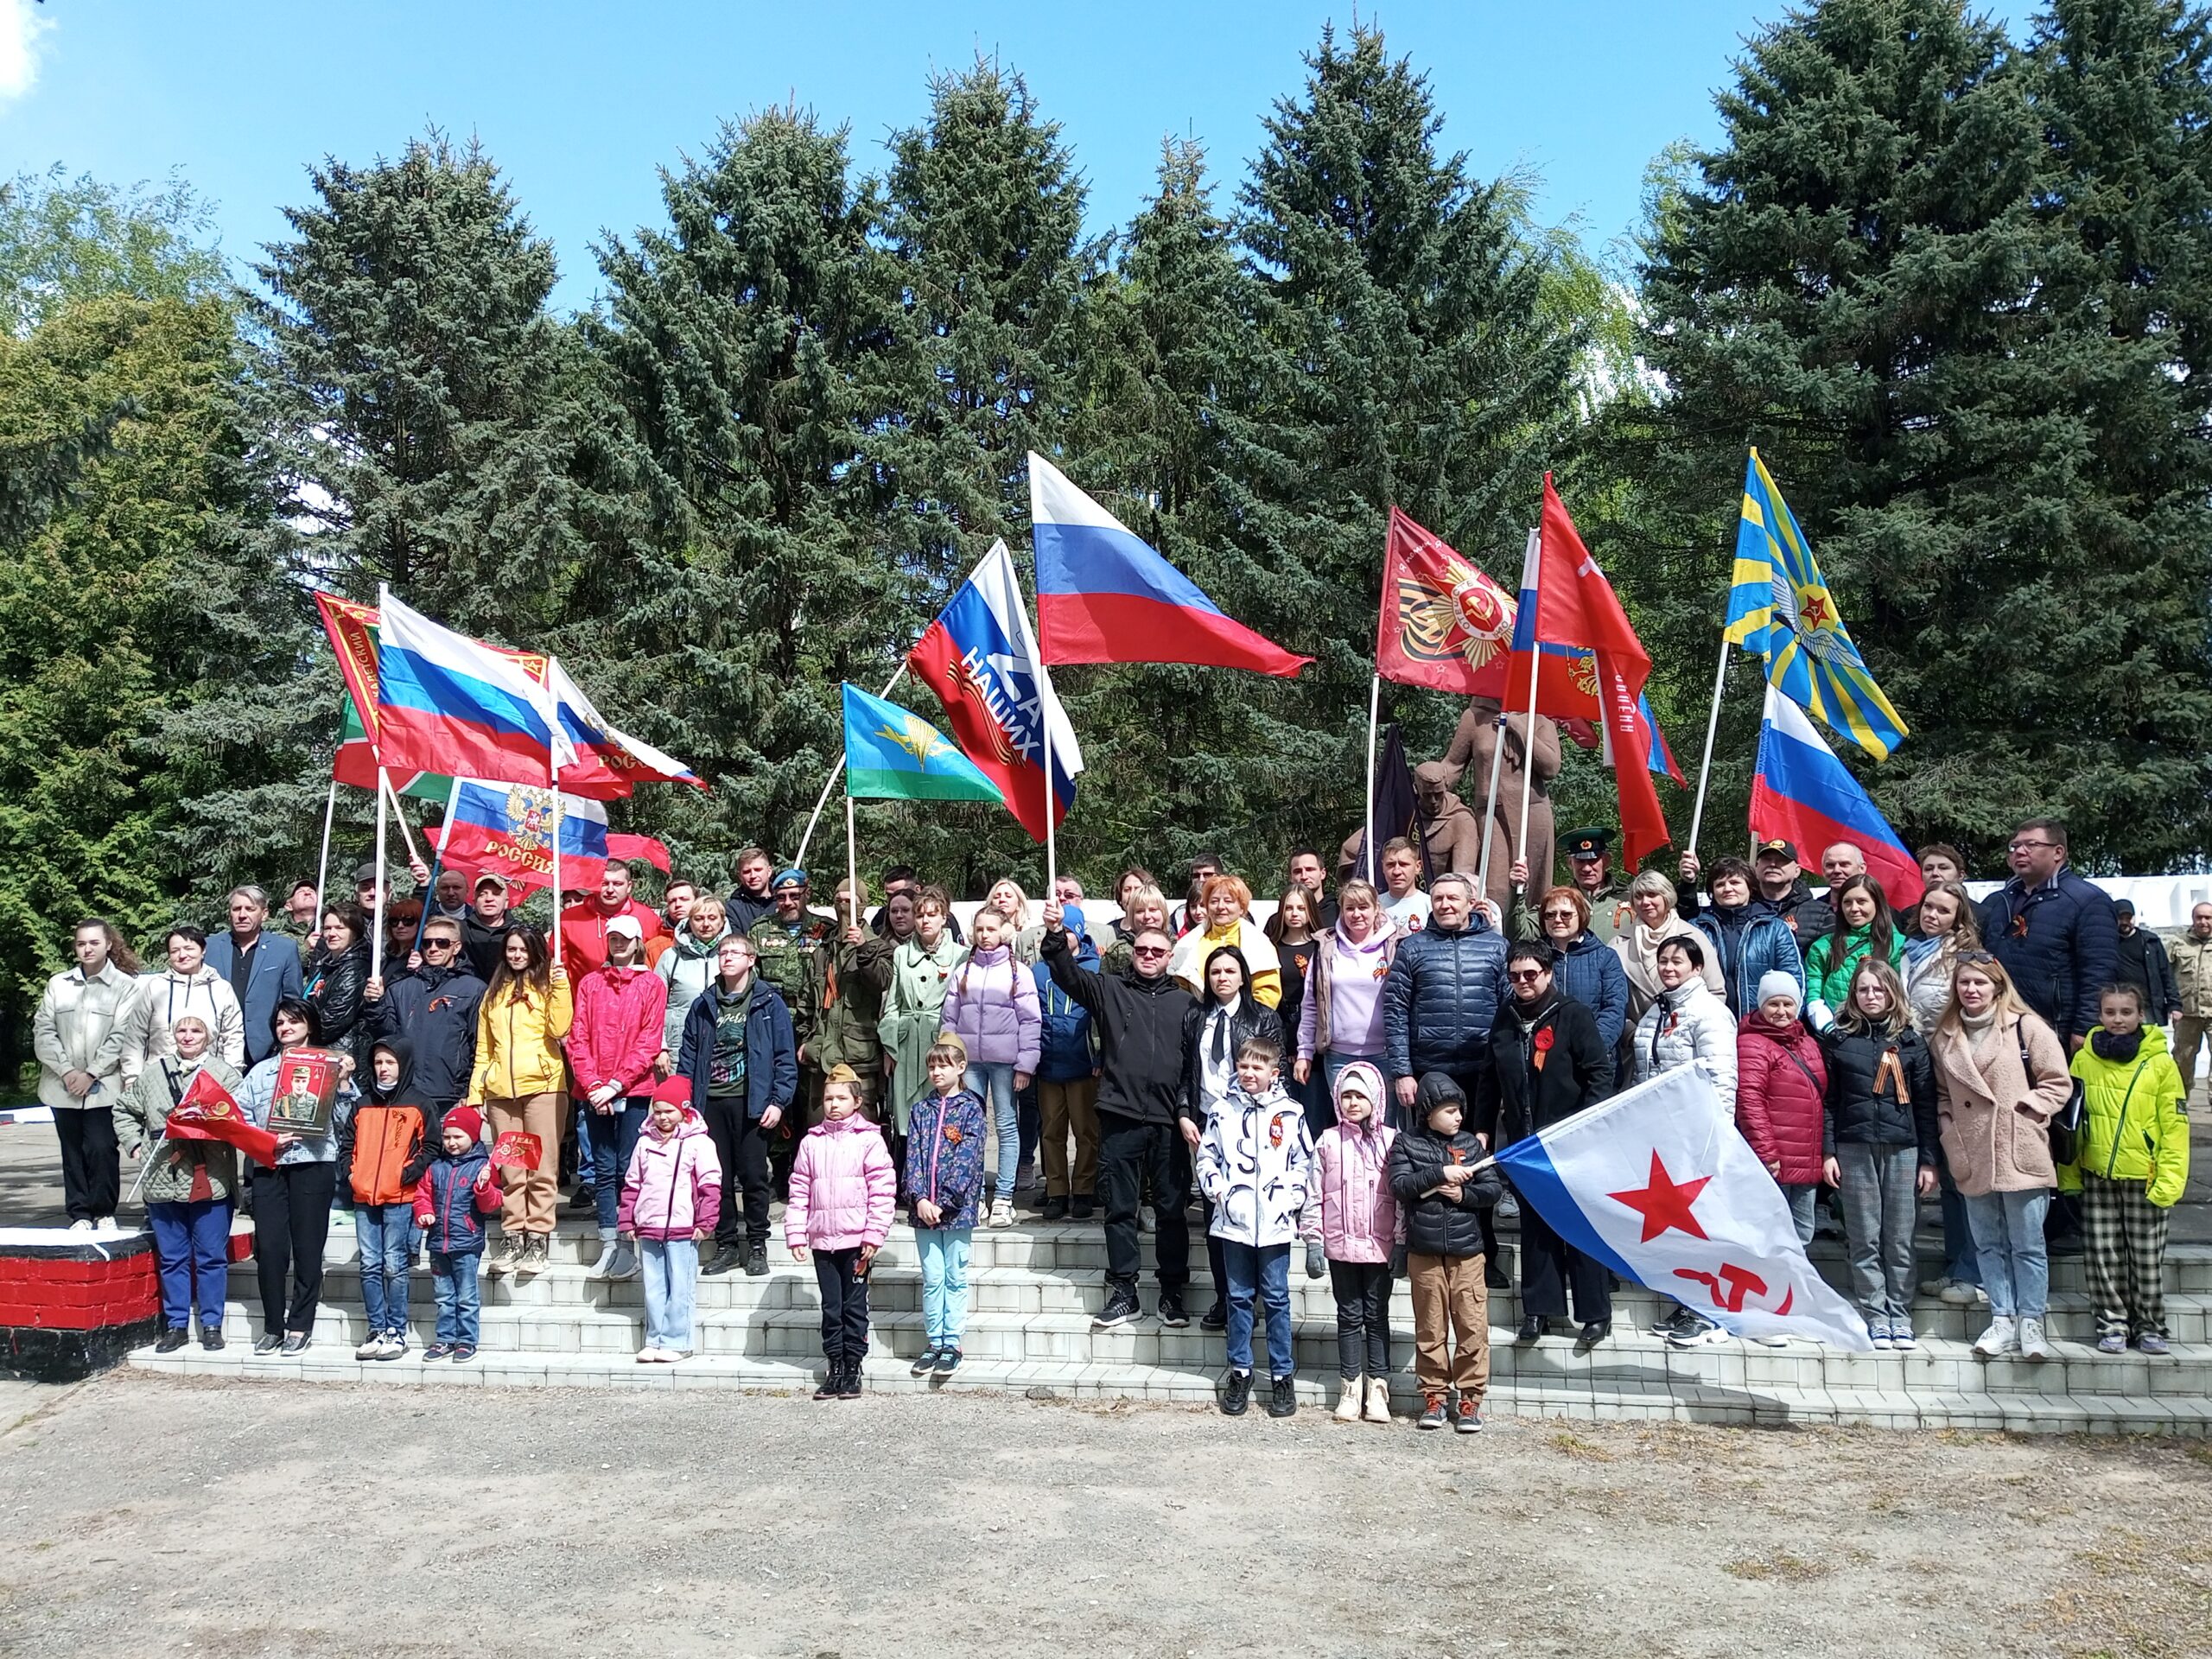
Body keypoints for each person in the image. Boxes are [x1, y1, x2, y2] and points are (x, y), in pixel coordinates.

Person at [1040, 899, 1196, 1330]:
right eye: (1142, 950)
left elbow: (1193, 1067)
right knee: (1121, 1210)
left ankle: (1171, 1293)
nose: (1148, 957)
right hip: (1120, 1116)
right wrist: (1055, 936)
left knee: (1170, 1211)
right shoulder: (1109, 988)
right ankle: (1125, 1291)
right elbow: (1067, 974)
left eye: (1157, 952)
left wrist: (1186, 1110)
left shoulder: (1185, 1004)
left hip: (1168, 1122)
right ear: (1133, 953)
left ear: (1169, 957)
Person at [1928, 951, 2072, 1361]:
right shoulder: (1944, 1036)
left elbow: (2057, 1082)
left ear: (1998, 986)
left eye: (1980, 983)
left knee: (2027, 1243)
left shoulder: (2027, 1027)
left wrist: (2030, 1109)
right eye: (1964, 983)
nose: (1971, 990)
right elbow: (1942, 1092)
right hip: (1972, 1149)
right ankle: (2002, 1318)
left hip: (2018, 1145)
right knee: (1988, 1244)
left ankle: (2031, 1321)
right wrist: (1947, 1126)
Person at [1490, 939, 1614, 1349]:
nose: (1523, 982)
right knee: (1535, 1228)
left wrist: (1584, 1124)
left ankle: (1595, 1314)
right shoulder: (1505, 1018)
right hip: (1527, 1144)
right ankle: (1539, 1311)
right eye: (1515, 976)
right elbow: (1490, 1079)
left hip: (1572, 1140)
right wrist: (1481, 1128)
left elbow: (1598, 1073)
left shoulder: (1573, 1015)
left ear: (1548, 974)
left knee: (1580, 1227)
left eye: (1531, 974)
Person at [2065, 983, 2190, 1355]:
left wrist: (2170, 1178)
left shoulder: (2160, 1063)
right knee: (2103, 1256)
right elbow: (2072, 1120)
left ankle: (2150, 1324)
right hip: (2098, 1173)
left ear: (2140, 1015)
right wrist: (2069, 1173)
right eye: (2109, 1012)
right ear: (2099, 1015)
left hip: (2145, 1175)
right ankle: (2112, 1323)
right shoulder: (2084, 1059)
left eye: (2126, 1012)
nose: (2117, 1020)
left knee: (2146, 1257)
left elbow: (2175, 1125)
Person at [1820, 958, 1938, 1350]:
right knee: (1864, 1235)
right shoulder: (1839, 1041)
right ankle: (1875, 1313)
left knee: (1900, 1236)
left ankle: (1900, 1313)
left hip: (1904, 1146)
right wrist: (1829, 1152)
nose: (1871, 996)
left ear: (1892, 993)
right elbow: (1830, 1101)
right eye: (1863, 990)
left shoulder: (1911, 1042)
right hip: (1854, 1146)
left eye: (1879, 989)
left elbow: (1924, 1104)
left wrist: (1929, 1160)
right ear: (1853, 995)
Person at [1196, 1033, 1313, 1420]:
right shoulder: (1221, 1111)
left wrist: (1291, 1198)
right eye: (1243, 1066)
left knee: (1277, 1299)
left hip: (1276, 1224)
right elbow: (1206, 1157)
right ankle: (1241, 1370)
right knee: (1239, 1298)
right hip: (1235, 1223)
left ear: (1273, 1072)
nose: (1248, 1073)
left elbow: (1303, 1162)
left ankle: (1282, 1375)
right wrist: (1219, 1191)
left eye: (1257, 1067)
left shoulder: (1291, 1112)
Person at [112, 1014, 244, 1351]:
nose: (188, 1036)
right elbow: (124, 1110)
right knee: (172, 1257)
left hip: (210, 1177)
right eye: (181, 1030)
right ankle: (176, 1325)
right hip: (162, 1178)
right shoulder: (152, 1074)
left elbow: (241, 1118)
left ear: (208, 1036)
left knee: (211, 1256)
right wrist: (135, 1144)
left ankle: (211, 1324)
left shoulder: (225, 1075)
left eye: (195, 1030)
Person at [1632, 934, 1738, 1347]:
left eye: (1678, 962)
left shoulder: (1709, 1012)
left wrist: (1716, 1132)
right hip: (1661, 1135)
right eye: (1664, 962)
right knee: (1680, 1227)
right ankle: (1689, 1303)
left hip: (1697, 1133)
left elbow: (1721, 1077)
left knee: (1703, 1225)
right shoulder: (1657, 1011)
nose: (1669, 968)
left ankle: (1710, 1311)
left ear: (1697, 968)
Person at [238, 999, 359, 1355]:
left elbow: (346, 1121)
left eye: (293, 1021)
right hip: (270, 1166)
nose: (286, 1028)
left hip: (313, 1163)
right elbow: (238, 1117)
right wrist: (267, 1139)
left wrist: (346, 1082)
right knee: (271, 1249)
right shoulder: (260, 1072)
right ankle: (273, 1325)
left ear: (309, 1025)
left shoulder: (330, 1066)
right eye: (280, 1023)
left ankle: (300, 1324)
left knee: (308, 1248)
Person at [1389, 1072, 1503, 1433]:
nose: (1457, 1117)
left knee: (1472, 1327)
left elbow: (1493, 1189)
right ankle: (1434, 1397)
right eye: (1449, 1110)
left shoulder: (1471, 1144)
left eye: (1459, 1111)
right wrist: (1440, 1174)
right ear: (1427, 1112)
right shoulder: (1406, 1143)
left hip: (1468, 1252)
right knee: (1430, 1328)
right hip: (1423, 1252)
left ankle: (1470, 1399)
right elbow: (1400, 1185)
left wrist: (1465, 1196)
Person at [1179, 945, 1286, 1329]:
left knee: (1254, 1208)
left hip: (1250, 1121)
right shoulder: (1196, 1017)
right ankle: (1226, 1296)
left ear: (1243, 976)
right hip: (1209, 1121)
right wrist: (1185, 1113)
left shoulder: (1264, 1017)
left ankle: (1257, 1296)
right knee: (1216, 1211)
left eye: (1229, 971)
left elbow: (1280, 1072)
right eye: (1215, 972)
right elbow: (1187, 1071)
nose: (1222, 977)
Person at [678, 931, 798, 1279]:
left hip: (752, 1102)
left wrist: (778, 1100)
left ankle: (757, 1244)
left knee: (754, 1177)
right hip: (710, 1101)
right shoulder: (704, 1004)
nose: (727, 957)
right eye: (723, 952)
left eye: (735, 952)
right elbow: (688, 1057)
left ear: (751, 959)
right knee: (719, 1177)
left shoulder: (768, 1002)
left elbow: (784, 1057)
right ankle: (727, 1244)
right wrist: (687, 1103)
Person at [565, 913, 668, 1279]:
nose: (619, 943)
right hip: (595, 1093)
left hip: (635, 1091)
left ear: (638, 941)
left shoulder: (652, 984)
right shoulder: (591, 984)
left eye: (626, 938)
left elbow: (648, 1040)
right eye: (613, 937)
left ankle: (631, 1243)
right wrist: (594, 1085)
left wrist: (616, 1084)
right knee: (604, 1169)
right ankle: (610, 1244)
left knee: (629, 1167)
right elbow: (578, 1037)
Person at [785, 1065, 896, 1400]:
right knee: (831, 1307)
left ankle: (853, 1366)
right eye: (828, 1098)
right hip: (823, 1240)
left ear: (857, 1101)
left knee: (853, 1306)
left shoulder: (869, 1140)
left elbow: (882, 1190)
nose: (833, 1104)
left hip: (856, 1243)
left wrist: (873, 1235)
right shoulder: (811, 1142)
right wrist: (796, 1233)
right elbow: (799, 1189)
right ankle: (834, 1363)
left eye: (841, 1098)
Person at [467, 926, 572, 1278]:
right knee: (512, 1169)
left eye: (522, 950)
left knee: (541, 1168)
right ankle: (513, 1237)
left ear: (534, 952)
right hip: (501, 1092)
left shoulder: (548, 986)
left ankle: (538, 1238)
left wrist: (560, 986)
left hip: (543, 1086)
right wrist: (477, 1091)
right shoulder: (493, 994)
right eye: (510, 949)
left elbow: (560, 1029)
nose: (515, 955)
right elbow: (485, 1047)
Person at [34, 918, 139, 1233]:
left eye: (94, 942)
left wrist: (92, 1073)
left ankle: (104, 1210)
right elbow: (43, 1030)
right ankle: (79, 1213)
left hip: (104, 1086)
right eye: (81, 943)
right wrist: (67, 1071)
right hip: (62, 1084)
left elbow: (123, 1034)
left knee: (101, 1147)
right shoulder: (59, 984)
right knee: (73, 1151)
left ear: (108, 944)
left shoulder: (125, 987)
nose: (87, 948)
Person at [938, 904, 1040, 1228]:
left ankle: (1004, 1199)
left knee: (1007, 1126)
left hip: (1005, 1062)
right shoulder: (962, 971)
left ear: (1004, 933)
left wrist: (1026, 1064)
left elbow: (1030, 1020)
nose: (985, 935)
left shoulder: (1018, 972)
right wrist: (948, 1056)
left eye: (991, 929)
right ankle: (976, 1196)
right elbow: (949, 1018)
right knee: (971, 1129)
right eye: (980, 929)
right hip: (969, 1062)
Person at [1306, 1060, 1396, 1424]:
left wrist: (1402, 1242)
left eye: (1360, 1095)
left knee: (1376, 1317)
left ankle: (1378, 1389)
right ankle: (1349, 1386)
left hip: (1380, 1244)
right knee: (1348, 1315)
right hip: (1341, 1245)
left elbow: (1401, 1196)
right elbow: (1313, 1193)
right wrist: (1313, 1239)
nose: (1353, 1102)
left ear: (1375, 1098)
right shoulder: (1328, 1141)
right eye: (1346, 1095)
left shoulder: (1390, 1141)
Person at [1979, 817, 2119, 1049]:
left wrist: (2084, 1028)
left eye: (2031, 845)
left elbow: (2099, 971)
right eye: (2014, 846)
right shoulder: (1999, 901)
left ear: (2058, 852)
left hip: (2056, 1031)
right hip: (2001, 1027)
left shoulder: (2087, 901)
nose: (2020, 852)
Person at [618, 1080, 722, 1363]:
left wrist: (706, 1221)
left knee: (680, 1285)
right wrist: (628, 1221)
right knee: (653, 1286)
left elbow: (710, 1184)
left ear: (684, 1110)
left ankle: (678, 1340)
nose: (662, 1117)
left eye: (669, 1111)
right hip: (649, 1225)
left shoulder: (699, 1143)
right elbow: (632, 1184)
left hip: (683, 1226)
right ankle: (655, 1338)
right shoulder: (644, 1142)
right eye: (658, 1111)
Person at [344, 1037, 432, 1361]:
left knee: (394, 1266)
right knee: (369, 1265)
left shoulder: (419, 1103)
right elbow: (346, 1145)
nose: (383, 1068)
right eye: (379, 1062)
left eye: (390, 1062)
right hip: (364, 1195)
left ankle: (396, 1331)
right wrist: (352, 1175)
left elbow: (431, 1146)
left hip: (400, 1197)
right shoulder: (362, 1103)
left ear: (403, 1064)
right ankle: (376, 1329)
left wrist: (408, 1172)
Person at [905, 1036, 987, 1375]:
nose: (936, 1072)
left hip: (957, 1212)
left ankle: (952, 1342)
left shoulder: (971, 1109)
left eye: (944, 1065)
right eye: (932, 1065)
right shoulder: (920, 1110)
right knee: (933, 1276)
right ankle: (934, 1341)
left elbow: (968, 1160)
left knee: (955, 1275)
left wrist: (947, 1201)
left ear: (961, 1067)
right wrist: (920, 1197)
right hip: (924, 1211)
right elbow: (912, 1158)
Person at [363, 913, 484, 1127]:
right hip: (407, 1092)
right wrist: (375, 1004)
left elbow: (478, 1045)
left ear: (456, 948)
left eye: (442, 943)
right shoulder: (401, 988)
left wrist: (470, 1092)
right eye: (427, 943)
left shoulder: (474, 989)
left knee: (450, 1156)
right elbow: (387, 1036)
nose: (433, 948)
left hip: (450, 1095)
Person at [1735, 973, 1827, 1243]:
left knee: (1802, 1236)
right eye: (1773, 1004)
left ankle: (1796, 1286)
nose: (1781, 1011)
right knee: (1771, 1236)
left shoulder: (1808, 1042)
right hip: (1775, 1160)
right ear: (1761, 1005)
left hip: (1807, 1159)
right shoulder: (1751, 1043)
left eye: (1788, 1004)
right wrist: (1767, 1153)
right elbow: (1750, 1101)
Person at [750, 868, 830, 1181]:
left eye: (794, 896)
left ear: (807, 894)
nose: (787, 902)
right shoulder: (759, 930)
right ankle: (782, 1171)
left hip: (813, 1027)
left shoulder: (825, 930)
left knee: (811, 1101)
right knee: (777, 1096)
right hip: (774, 1026)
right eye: (781, 896)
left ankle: (811, 1168)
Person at [1293, 878, 1399, 1110]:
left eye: (1363, 907)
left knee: (1384, 1131)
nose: (1356, 914)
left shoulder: (1394, 946)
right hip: (1339, 1055)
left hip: (1385, 1054)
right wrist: (1304, 1053)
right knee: (1346, 1127)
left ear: (1376, 909)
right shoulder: (1326, 948)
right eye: (1350, 908)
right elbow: (1311, 1005)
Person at [413, 1103, 499, 1362]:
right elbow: (422, 1195)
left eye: (457, 1136)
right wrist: (423, 1213)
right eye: (447, 1136)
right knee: (443, 1296)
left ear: (473, 1136)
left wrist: (484, 1187)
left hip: (466, 1243)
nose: (451, 1142)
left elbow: (491, 1203)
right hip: (438, 1243)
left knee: (467, 1295)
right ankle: (444, 1339)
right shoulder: (436, 1167)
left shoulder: (482, 1167)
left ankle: (466, 1339)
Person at [878, 885, 965, 1140]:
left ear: (944, 917)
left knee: (941, 1115)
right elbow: (892, 1004)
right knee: (906, 1119)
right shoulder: (901, 954)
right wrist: (890, 1047)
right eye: (920, 915)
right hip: (905, 1046)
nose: (925, 921)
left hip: (940, 1043)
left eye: (931, 914)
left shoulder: (961, 955)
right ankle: (910, 1175)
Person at [1032, 902, 1101, 1221]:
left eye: (1071, 930)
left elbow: (1102, 1017)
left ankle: (1085, 1188)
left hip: (1083, 1062)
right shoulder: (1038, 969)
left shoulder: (1095, 967)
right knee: (1052, 1129)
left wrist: (1099, 1054)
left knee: (1086, 1129)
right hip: (1048, 1061)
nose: (1066, 935)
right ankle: (1057, 1190)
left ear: (1080, 933)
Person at [113, 925, 246, 1086]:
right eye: (175, 951)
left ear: (203, 950)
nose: (182, 955)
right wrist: (132, 1079)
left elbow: (233, 1036)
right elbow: (135, 1035)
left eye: (189, 948)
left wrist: (232, 1075)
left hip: (210, 1081)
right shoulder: (155, 987)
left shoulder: (221, 989)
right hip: (159, 1080)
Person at [1616, 869, 1726, 1056]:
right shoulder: (1618, 944)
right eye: (1639, 896)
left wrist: (1687, 1030)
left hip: (1685, 1047)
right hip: (1638, 1049)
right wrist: (1633, 1035)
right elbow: (1611, 1002)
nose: (1645, 902)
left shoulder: (1695, 937)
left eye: (1652, 895)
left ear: (1666, 897)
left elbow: (1716, 992)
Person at [1679, 855, 1804, 1018]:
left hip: (1762, 1026)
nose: (1727, 888)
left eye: (1735, 882)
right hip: (1710, 1023)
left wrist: (1785, 1023)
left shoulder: (1775, 928)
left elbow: (1794, 979)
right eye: (1720, 884)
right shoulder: (1697, 928)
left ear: (1750, 888)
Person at [810, 881, 894, 1124]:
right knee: (818, 1128)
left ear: (863, 905)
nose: (843, 906)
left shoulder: (879, 946)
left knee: (862, 1128)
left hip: (860, 1055)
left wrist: (864, 949)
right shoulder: (824, 949)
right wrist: (807, 1041)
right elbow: (810, 997)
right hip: (823, 1055)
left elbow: (882, 981)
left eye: (850, 901)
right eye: (839, 900)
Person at [206, 886, 303, 1066]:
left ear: (264, 914)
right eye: (236, 909)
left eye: (250, 909)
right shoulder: (209, 947)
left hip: (264, 1050)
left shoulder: (284, 949)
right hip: (216, 1048)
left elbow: (292, 1001)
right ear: (230, 914)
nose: (242, 915)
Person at [1526, 887, 1631, 1054]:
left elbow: (1614, 1009)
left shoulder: (1606, 957)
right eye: (1550, 915)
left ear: (1581, 916)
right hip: (1544, 1058)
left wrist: (1591, 1048)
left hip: (1594, 1059)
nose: (1557, 920)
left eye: (1566, 914)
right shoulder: (1532, 958)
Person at [1802, 874, 1907, 1031]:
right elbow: (1814, 996)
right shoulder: (1822, 947)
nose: (1854, 908)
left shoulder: (1899, 945)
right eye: (1847, 902)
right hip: (1835, 1033)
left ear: (1877, 904)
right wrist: (1829, 1029)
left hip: (1886, 1032)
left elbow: (1904, 994)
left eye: (1862, 901)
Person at [1169, 874, 1283, 1009]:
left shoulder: (1260, 943)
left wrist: (1247, 1021)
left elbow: (1268, 992)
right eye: (1214, 901)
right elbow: (1180, 987)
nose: (1220, 907)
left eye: (1228, 901)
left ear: (1242, 907)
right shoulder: (1188, 943)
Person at [1264, 886, 1325, 1131]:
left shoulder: (1323, 947)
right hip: (1281, 1030)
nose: (1295, 913)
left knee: (1314, 1115)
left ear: (1311, 910)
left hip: (1316, 1039)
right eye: (1289, 908)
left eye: (1301, 907)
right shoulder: (1270, 948)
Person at [656, 895, 729, 1078]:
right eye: (699, 918)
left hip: (722, 1046)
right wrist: (660, 1047)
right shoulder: (670, 957)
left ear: (722, 921)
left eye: (712, 918)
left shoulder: (732, 953)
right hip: (678, 1046)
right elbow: (653, 1006)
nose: (705, 924)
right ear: (690, 922)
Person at [559, 862, 669, 982]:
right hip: (586, 997)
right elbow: (557, 965)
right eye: (604, 884)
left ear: (629, 886)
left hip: (636, 996)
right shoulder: (569, 919)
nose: (610, 890)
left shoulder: (648, 919)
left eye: (617, 884)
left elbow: (659, 961)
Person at [303, 904, 372, 1068]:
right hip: (325, 1054)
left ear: (354, 932)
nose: (332, 934)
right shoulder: (329, 965)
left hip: (343, 1057)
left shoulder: (355, 969)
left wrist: (298, 1035)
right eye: (327, 928)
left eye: (340, 928)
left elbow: (331, 1022)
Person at [1751, 838, 1835, 948]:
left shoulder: (1822, 914)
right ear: (1756, 867)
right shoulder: (1741, 909)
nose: (1773, 864)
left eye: (1782, 860)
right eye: (1767, 859)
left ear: (1797, 871)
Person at [2111, 902, 2178, 1029]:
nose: (2125, 922)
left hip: (2147, 1006)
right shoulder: (2107, 942)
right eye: (2121, 918)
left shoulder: (2150, 941)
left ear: (2134, 918)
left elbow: (2166, 974)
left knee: (2149, 1043)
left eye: (2128, 918)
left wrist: (2174, 1005)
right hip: (2118, 1006)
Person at [2171, 902, 2212, 1091]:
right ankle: (2179, 1105)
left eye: (2208, 918)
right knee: (2182, 1062)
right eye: (2199, 917)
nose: (2203, 922)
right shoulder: (2178, 943)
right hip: (2187, 1014)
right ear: (2193, 919)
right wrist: (2171, 1006)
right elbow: (2165, 976)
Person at [460, 874, 525, 983]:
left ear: (506, 902)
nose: (489, 899)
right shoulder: (459, 931)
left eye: (496, 894)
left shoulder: (521, 933)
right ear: (474, 901)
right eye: (482, 895)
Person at [1103, 885, 1173, 977]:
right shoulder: (1118, 952)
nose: (1147, 916)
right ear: (1132, 916)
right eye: (1140, 911)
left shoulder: (1177, 947)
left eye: (1153, 910)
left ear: (1163, 913)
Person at [1376, 838, 1432, 933]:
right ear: (1383, 867)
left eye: (1403, 864)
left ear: (1417, 867)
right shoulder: (1374, 905)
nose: (1397, 871)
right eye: (1390, 865)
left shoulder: (1431, 906)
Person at [725, 846, 776, 937]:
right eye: (747, 872)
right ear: (740, 876)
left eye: (758, 870)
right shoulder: (732, 909)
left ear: (769, 871)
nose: (753, 875)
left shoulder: (782, 903)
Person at [1286, 847, 1338, 928]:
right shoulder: (1280, 921)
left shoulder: (1339, 914)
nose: (1304, 876)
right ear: (1290, 877)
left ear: (1323, 873)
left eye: (1310, 869)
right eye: (1298, 871)